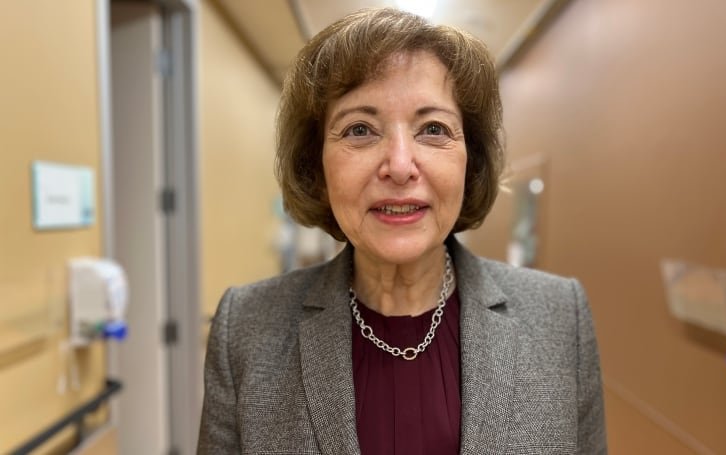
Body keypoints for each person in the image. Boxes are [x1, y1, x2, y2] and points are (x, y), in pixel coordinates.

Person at [198, 7, 606, 455]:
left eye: (433, 129)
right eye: (359, 129)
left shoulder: (559, 317)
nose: (398, 165)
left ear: (470, 161)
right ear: (316, 165)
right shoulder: (247, 328)